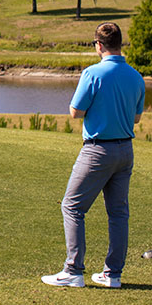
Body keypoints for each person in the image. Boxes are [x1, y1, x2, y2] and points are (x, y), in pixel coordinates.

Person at [42, 22, 145, 289]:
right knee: (118, 213)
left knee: (72, 206)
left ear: (98, 45)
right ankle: (113, 274)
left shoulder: (92, 74)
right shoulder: (135, 76)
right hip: (125, 150)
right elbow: (135, 118)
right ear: (120, 44)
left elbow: (76, 111)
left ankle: (73, 271)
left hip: (98, 150)